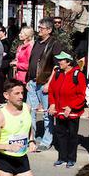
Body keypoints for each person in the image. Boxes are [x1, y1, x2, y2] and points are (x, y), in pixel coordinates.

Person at [47, 51, 87, 167]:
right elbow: (51, 90)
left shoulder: (78, 75)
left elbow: (82, 95)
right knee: (60, 135)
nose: (59, 62)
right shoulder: (57, 73)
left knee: (72, 136)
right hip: (59, 112)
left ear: (68, 62)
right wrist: (52, 104)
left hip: (72, 113)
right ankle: (62, 157)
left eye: (61, 60)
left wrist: (71, 106)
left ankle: (71, 158)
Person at [26, 18, 60, 150]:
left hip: (45, 82)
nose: (39, 30)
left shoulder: (54, 44)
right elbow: (32, 61)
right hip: (33, 83)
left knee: (47, 114)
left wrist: (49, 84)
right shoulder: (37, 42)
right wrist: (28, 79)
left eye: (42, 28)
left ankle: (46, 140)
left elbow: (56, 66)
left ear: (49, 30)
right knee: (30, 112)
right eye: (39, 27)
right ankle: (31, 139)